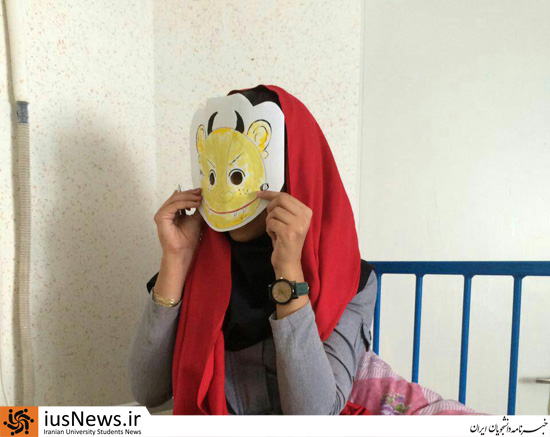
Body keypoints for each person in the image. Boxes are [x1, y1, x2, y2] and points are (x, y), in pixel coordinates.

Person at [127, 85, 377, 415]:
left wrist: (289, 271)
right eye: (213, 175)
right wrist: (176, 259)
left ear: (293, 174)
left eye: (237, 176)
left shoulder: (346, 279)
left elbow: (314, 417)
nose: (227, 196)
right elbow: (148, 390)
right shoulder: (198, 265)